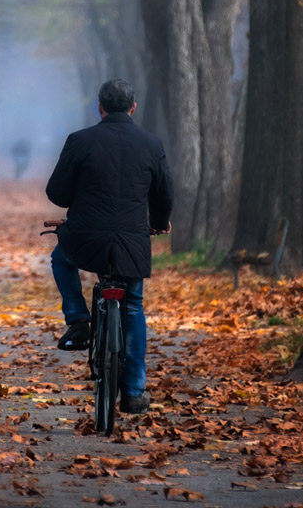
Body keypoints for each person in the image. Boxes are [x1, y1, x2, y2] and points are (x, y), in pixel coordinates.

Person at [45, 78, 173, 415]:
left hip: (85, 239)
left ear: (99, 108)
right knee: (132, 306)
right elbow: (164, 194)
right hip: (132, 242)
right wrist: (159, 223)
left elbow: (57, 194)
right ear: (133, 108)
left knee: (61, 258)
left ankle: (77, 319)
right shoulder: (151, 144)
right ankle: (134, 391)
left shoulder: (80, 141)